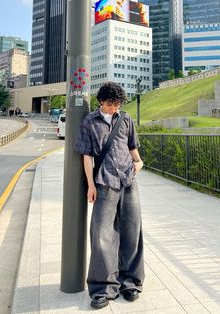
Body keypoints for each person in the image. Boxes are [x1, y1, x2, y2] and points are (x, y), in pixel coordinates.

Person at [75, 82, 144, 310]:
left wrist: (139, 162)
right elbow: (86, 156)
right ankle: (103, 288)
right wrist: (90, 185)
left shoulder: (126, 119)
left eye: (118, 104)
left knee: (132, 231)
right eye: (111, 104)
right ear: (101, 101)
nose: (115, 108)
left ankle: (130, 282)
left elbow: (132, 148)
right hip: (104, 182)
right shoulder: (90, 122)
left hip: (128, 182)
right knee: (102, 235)